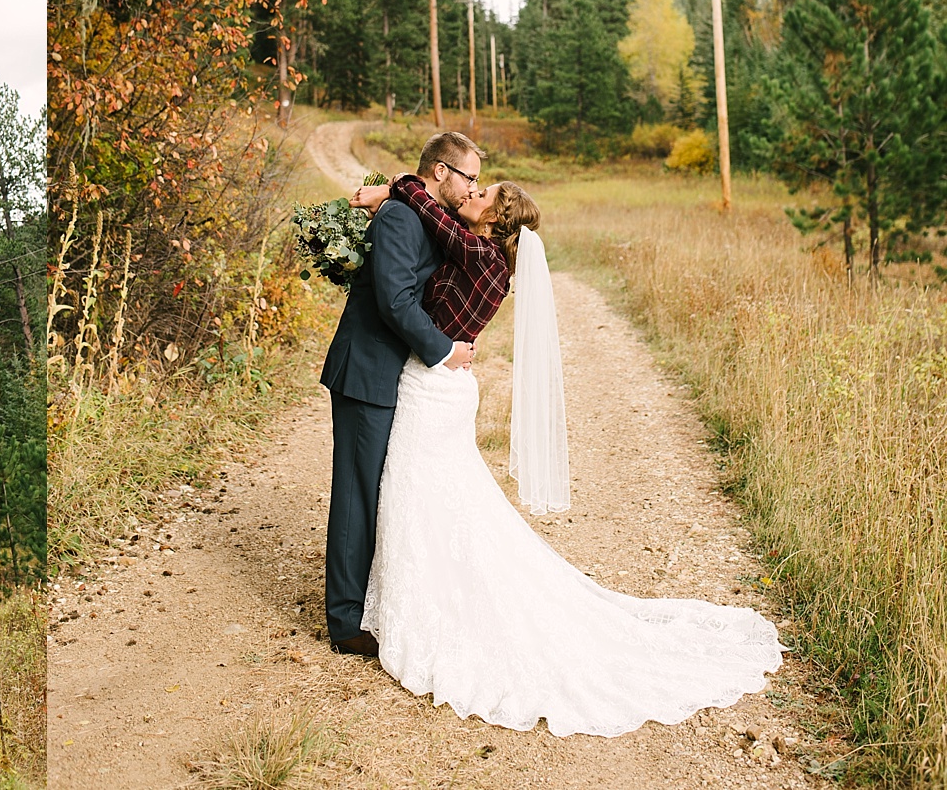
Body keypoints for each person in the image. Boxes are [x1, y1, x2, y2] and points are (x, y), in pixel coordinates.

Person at [344, 153, 784, 736]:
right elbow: (430, 225)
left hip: (436, 382)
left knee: (425, 491)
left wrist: (391, 191)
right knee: (437, 495)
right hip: (445, 388)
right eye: (473, 186)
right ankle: (414, 587)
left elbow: (427, 206)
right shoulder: (492, 261)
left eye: (483, 195)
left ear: (495, 223)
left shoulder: (474, 250)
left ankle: (433, 599)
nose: (471, 194)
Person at [320, 131, 478, 657]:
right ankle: (344, 621)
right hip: (367, 371)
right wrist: (443, 350)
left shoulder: (421, 212)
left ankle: (367, 598)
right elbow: (393, 300)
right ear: (441, 172)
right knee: (356, 493)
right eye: (469, 177)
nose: (472, 187)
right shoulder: (399, 218)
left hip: (392, 374)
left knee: (380, 489)